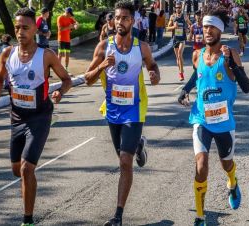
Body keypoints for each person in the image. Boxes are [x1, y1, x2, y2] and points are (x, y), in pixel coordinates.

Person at [84, 1, 160, 225]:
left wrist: (155, 75)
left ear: (133, 21)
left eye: (125, 18)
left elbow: (153, 66)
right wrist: (101, 67)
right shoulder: (103, 47)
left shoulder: (141, 47)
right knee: (123, 156)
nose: (120, 22)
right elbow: (88, 80)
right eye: (117, 18)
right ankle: (138, 144)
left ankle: (118, 216)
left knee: (125, 162)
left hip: (135, 110)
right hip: (113, 110)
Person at [0, 8, 72, 226]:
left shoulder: (45, 55)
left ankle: (28, 220)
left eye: (25, 28)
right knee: (16, 170)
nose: (20, 32)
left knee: (26, 168)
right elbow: (0, 78)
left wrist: (60, 91)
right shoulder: (7, 54)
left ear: (35, 29)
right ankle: (28, 181)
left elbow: (66, 79)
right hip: (17, 117)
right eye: (17, 27)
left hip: (39, 117)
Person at [178, 4, 249, 225]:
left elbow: (246, 87)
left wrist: (232, 65)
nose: (207, 31)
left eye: (211, 27)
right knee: (201, 165)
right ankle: (200, 216)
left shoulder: (231, 55)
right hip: (201, 119)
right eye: (204, 27)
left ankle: (232, 182)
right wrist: (184, 90)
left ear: (220, 31)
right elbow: (196, 76)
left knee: (226, 163)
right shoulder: (197, 54)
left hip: (223, 122)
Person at [167, 1, 192, 81]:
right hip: (175, 39)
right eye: (177, 7)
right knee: (177, 58)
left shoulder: (184, 16)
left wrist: (188, 29)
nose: (178, 9)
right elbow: (167, 28)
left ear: (181, 8)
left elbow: (190, 24)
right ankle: (180, 69)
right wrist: (174, 27)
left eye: (179, 7)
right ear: (175, 8)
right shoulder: (172, 17)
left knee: (179, 54)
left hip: (182, 39)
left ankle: (181, 74)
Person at [57, 7, 79, 72]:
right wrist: (69, 27)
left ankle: (66, 69)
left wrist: (76, 25)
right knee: (60, 54)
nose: (71, 16)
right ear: (67, 13)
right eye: (70, 14)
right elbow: (60, 29)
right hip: (61, 39)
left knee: (67, 54)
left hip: (68, 39)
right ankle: (58, 68)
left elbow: (76, 23)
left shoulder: (70, 18)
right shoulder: (60, 18)